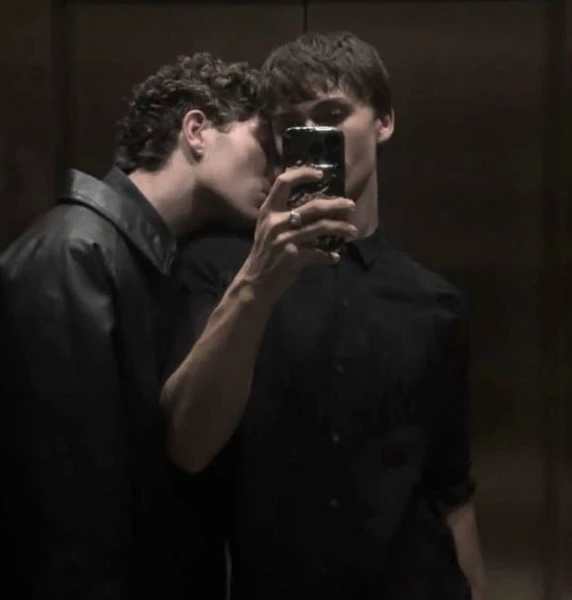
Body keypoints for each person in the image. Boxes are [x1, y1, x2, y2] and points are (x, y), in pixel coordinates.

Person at [0, 52, 357, 599]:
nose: (277, 170)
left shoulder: (148, 258)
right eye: (263, 143)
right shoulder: (74, 254)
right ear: (196, 131)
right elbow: (69, 510)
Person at [166, 32, 486, 599]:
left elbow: (451, 492)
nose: (313, 136)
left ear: (384, 121)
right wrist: (257, 282)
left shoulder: (434, 303)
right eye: (292, 124)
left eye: (333, 115)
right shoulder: (220, 271)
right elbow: (188, 445)